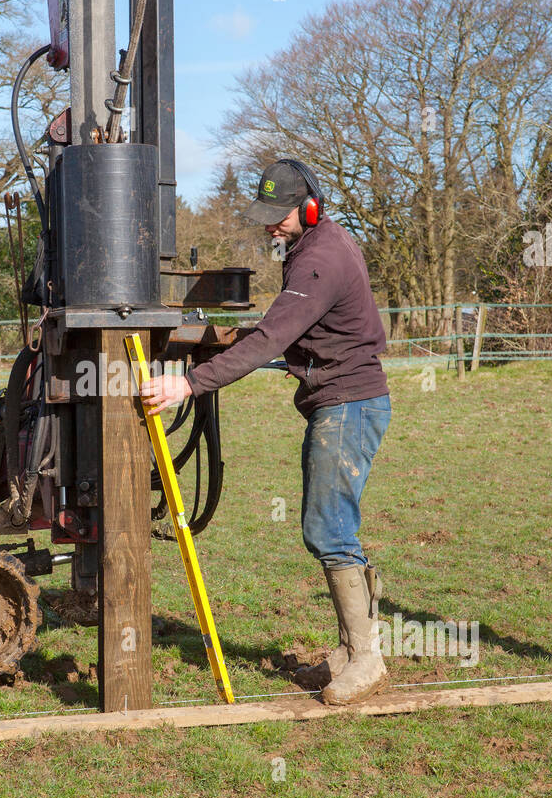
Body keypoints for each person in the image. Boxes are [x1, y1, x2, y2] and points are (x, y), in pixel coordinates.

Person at [140, 158, 391, 705]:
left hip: (349, 404)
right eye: (267, 215)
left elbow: (273, 338)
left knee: (328, 530)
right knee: (328, 526)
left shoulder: (318, 260)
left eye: (281, 215)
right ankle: (351, 651)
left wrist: (190, 383)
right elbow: (287, 329)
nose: (271, 225)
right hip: (342, 400)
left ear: (311, 207)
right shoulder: (314, 247)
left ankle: (367, 658)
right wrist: (232, 339)